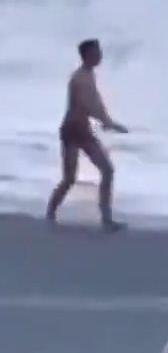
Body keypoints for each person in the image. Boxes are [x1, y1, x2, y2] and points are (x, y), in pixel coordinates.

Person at [46, 38, 128, 232]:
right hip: (72, 130)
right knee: (70, 178)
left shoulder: (90, 75)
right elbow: (86, 105)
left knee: (107, 170)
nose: (100, 55)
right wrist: (108, 122)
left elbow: (96, 102)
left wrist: (107, 120)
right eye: (97, 52)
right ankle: (50, 212)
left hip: (82, 129)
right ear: (88, 55)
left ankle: (106, 218)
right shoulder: (78, 78)